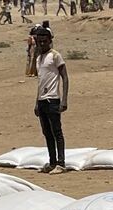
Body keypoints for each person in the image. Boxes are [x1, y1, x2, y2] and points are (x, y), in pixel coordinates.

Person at [32, 26, 67, 172]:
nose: (41, 44)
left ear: (50, 41)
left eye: (44, 41)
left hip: (52, 99)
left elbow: (65, 77)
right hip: (42, 101)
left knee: (57, 132)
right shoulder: (39, 58)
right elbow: (41, 81)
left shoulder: (55, 56)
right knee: (47, 133)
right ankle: (52, 162)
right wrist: (36, 102)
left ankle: (61, 163)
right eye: (39, 42)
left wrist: (64, 99)